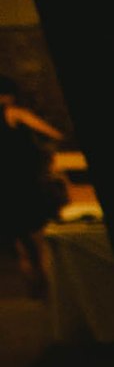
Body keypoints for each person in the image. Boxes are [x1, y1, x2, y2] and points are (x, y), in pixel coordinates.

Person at [2, 73, 67, 299]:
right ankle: (49, 290)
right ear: (9, 95)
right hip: (24, 183)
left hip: (4, 187)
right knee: (39, 240)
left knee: (20, 244)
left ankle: (33, 289)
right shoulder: (15, 113)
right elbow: (53, 133)